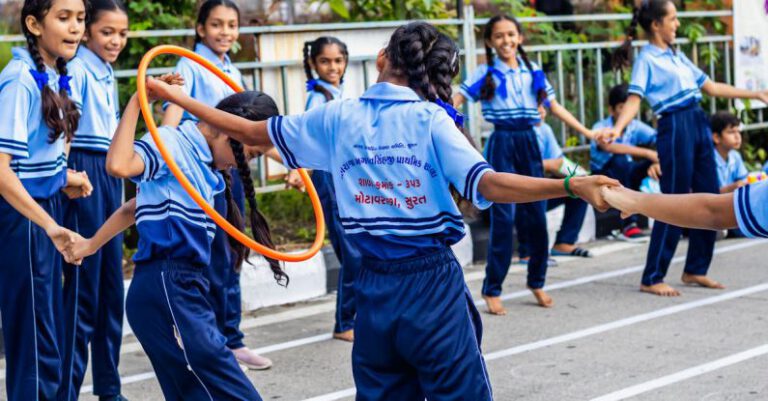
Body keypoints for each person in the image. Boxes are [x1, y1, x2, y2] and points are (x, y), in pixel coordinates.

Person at [146, 21, 618, 400]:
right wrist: (570, 184)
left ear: (381, 60)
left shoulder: (338, 116)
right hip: (431, 286)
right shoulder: (430, 118)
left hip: (373, 288)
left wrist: (175, 98)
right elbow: (488, 184)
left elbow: (249, 132)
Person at [76, 80, 284, 400]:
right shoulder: (175, 144)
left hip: (183, 287)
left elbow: (136, 205)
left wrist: (90, 245)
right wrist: (138, 100)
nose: (239, 166)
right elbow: (118, 164)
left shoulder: (203, 165)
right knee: (232, 391)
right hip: (166, 287)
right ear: (225, 128)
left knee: (196, 392)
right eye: (247, 155)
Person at [610, 0, 768, 296]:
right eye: (672, 18)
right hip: (674, 125)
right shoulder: (647, 59)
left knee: (709, 193)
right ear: (656, 24)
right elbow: (635, 99)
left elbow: (711, 87)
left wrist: (756, 93)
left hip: (697, 120)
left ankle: (696, 268)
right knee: (674, 198)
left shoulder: (676, 54)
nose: (677, 24)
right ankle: (652, 274)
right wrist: (617, 130)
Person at [454, 14, 605, 312]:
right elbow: (456, 99)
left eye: (511, 34)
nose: (506, 41)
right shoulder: (484, 73)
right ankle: (492, 288)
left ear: (520, 37)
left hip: (529, 143)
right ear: (489, 41)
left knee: (536, 215)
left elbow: (555, 107)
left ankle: (537, 281)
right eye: (499, 36)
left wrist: (588, 133)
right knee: (504, 218)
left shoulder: (532, 71)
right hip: (502, 143)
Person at [160, 0, 274, 370]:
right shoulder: (189, 65)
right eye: (216, 24)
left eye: (231, 25)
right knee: (209, 256)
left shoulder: (230, 69)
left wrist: (284, 162)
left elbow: (248, 128)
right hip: (202, 170)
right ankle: (209, 340)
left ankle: (231, 338)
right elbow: (172, 114)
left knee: (233, 253)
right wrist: (168, 154)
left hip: (230, 169)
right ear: (200, 29)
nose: (225, 32)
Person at [0, 0, 91, 399]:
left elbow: (36, 155)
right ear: (34, 24)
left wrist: (65, 178)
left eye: (80, 19)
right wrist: (50, 225)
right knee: (36, 342)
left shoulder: (54, 75)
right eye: (64, 18)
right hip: (25, 219)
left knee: (51, 331)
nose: (75, 28)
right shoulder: (19, 79)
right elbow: (2, 170)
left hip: (46, 209)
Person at [58, 2, 130, 400]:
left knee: (110, 290)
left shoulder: (105, 70)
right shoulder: (79, 69)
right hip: (85, 171)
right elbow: (67, 133)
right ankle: (66, 391)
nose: (115, 40)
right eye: (107, 32)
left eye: (121, 33)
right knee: (84, 290)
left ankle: (109, 388)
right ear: (88, 33)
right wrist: (67, 176)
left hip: (108, 171)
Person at [591, 84, 658, 241]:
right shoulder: (600, 127)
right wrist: (648, 153)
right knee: (620, 160)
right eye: (622, 107)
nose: (626, 112)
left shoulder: (635, 126)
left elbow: (658, 139)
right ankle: (628, 225)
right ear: (611, 110)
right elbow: (609, 146)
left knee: (659, 163)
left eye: (629, 107)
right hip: (604, 175)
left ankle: (674, 218)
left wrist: (656, 162)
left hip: (627, 172)